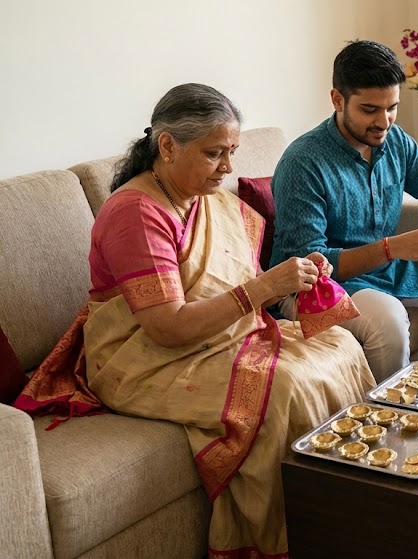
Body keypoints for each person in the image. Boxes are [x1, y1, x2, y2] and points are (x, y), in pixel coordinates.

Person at [14, 83, 375, 558]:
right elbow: (167, 327)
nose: (228, 168)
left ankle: (355, 510)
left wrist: (293, 276)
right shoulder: (135, 213)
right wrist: (266, 288)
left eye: (232, 152)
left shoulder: (202, 199)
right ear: (167, 146)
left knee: (338, 346)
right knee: (284, 386)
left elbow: (229, 283)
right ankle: (287, 539)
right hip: (141, 356)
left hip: (216, 335)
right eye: (215, 154)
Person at [270, 40, 418, 381]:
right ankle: (391, 416)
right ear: (337, 100)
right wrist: (391, 249)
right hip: (316, 287)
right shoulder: (303, 162)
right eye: (369, 110)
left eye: (392, 107)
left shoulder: (394, 140)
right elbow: (309, 265)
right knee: (389, 317)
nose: (384, 121)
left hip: (385, 270)